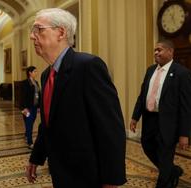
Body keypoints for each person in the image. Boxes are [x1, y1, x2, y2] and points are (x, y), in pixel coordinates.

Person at [26, 8, 126, 188]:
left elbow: (110, 127)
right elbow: (48, 123)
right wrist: (37, 156)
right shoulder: (46, 75)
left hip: (87, 175)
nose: (32, 37)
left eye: (38, 30)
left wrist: (111, 180)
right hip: (60, 171)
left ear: (61, 32)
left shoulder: (88, 66)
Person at [130, 40, 191, 188]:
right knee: (147, 145)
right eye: (155, 50)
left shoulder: (181, 73)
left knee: (165, 154)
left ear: (170, 52)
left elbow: (186, 106)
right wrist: (135, 117)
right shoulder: (150, 70)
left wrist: (184, 134)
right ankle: (172, 171)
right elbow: (142, 95)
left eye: (160, 50)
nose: (156, 52)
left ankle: (164, 182)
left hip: (168, 123)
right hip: (150, 119)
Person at [22, 66, 41, 149]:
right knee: (29, 124)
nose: (36, 73)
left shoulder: (36, 83)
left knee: (31, 122)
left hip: (34, 107)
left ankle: (26, 135)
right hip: (28, 108)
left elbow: (39, 95)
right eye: (35, 71)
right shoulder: (25, 83)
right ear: (30, 73)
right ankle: (30, 142)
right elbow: (22, 96)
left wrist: (39, 106)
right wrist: (24, 108)